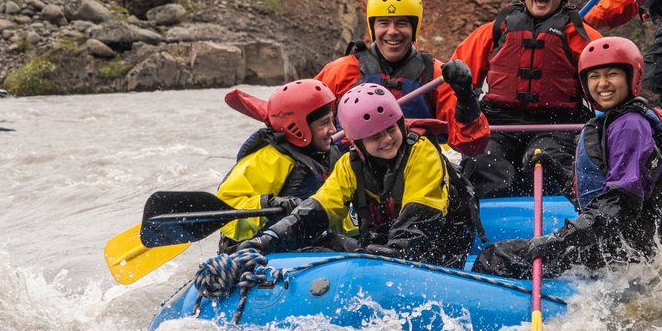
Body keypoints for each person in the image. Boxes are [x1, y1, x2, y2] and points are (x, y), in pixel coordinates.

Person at [196, 85, 479, 299]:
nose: (387, 139)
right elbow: (317, 211)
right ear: (356, 142)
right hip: (386, 252)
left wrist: (388, 256)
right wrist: (265, 242)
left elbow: (419, 224)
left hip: (438, 254)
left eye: (391, 129)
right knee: (328, 241)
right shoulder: (348, 164)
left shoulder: (422, 154)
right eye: (375, 136)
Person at [472, 37, 662, 277]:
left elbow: (620, 204)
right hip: (618, 243)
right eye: (594, 77)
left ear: (632, 77)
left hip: (625, 252)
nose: (602, 84)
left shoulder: (631, 125)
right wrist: (557, 172)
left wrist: (557, 240)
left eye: (612, 74)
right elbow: (596, 195)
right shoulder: (614, 122)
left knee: (495, 257)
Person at [451, 0, 602, 198]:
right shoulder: (496, 30)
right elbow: (453, 80)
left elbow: (608, 84)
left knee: (542, 159)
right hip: (499, 125)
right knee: (483, 162)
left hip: (557, 126)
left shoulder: (580, 35)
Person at [318, 0, 489, 157]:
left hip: (417, 173)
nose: (392, 31)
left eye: (401, 23)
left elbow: (472, 145)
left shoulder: (436, 75)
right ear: (372, 27)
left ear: (414, 28)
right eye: (383, 23)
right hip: (350, 173)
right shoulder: (340, 72)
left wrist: (466, 98)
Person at [214, 79, 339, 252]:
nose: (333, 129)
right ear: (300, 127)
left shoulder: (328, 156)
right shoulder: (269, 159)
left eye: (332, 121)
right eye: (325, 123)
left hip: (306, 244)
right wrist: (268, 204)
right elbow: (226, 209)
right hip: (259, 250)